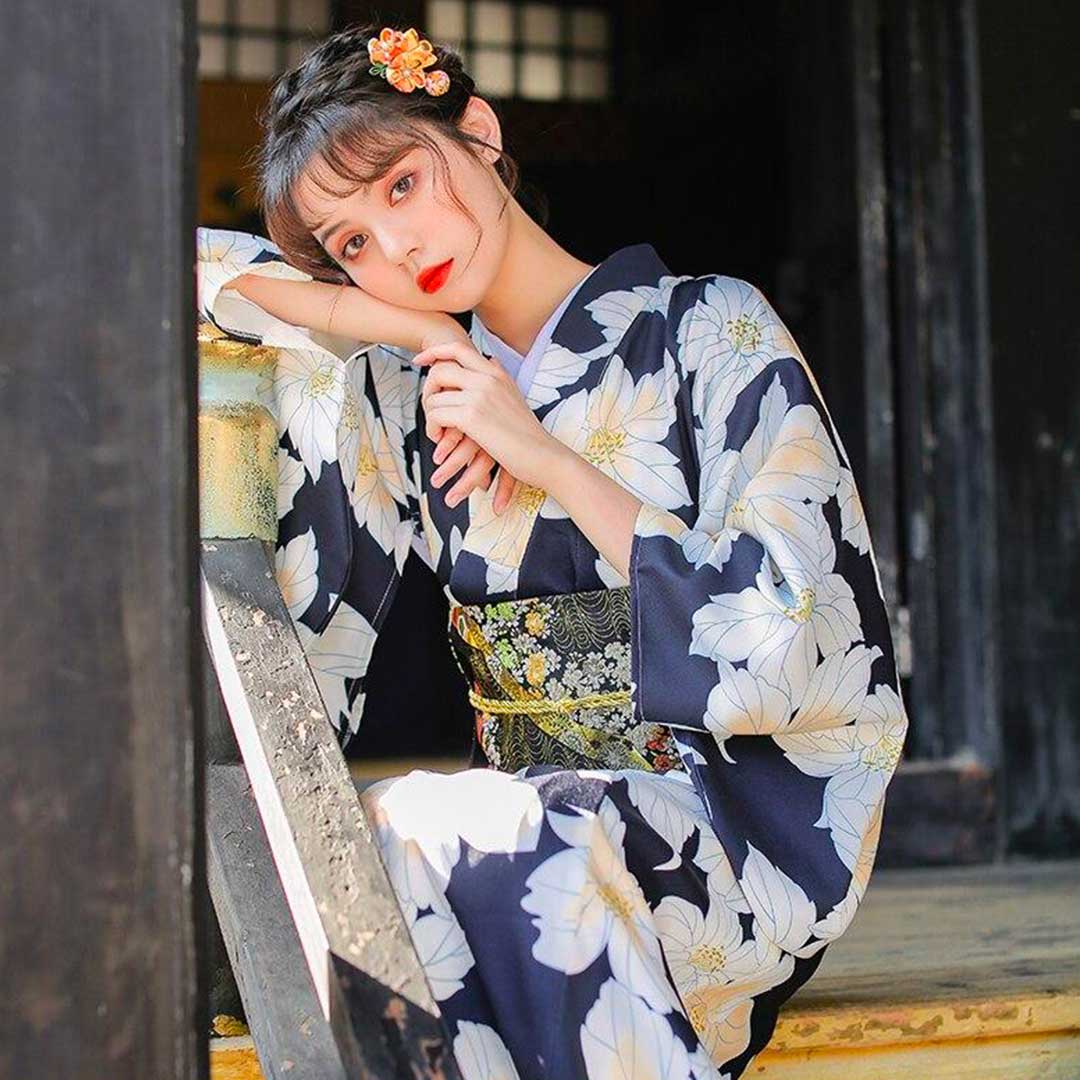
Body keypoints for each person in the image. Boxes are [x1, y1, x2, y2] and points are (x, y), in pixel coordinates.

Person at [196, 23, 909, 1079]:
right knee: (396, 845)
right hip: (529, 844)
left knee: (485, 837)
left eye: (401, 186)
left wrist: (551, 461)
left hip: (724, 836)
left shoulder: (709, 329)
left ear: (478, 135)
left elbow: (801, 629)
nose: (393, 249)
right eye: (349, 243)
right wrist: (415, 334)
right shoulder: (411, 395)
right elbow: (175, 270)